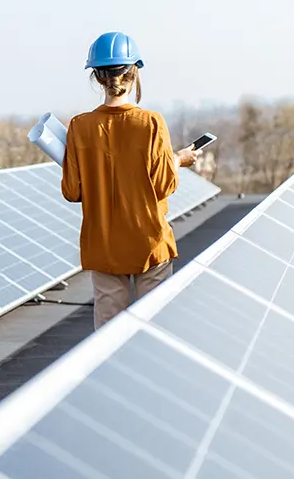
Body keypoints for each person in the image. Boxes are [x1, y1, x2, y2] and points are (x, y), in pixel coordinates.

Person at [61, 31, 198, 330]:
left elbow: (72, 191)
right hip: (149, 241)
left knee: (108, 338)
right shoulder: (150, 123)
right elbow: (164, 185)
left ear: (97, 77)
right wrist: (177, 160)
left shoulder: (79, 126)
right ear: (134, 73)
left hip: (103, 245)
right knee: (155, 331)